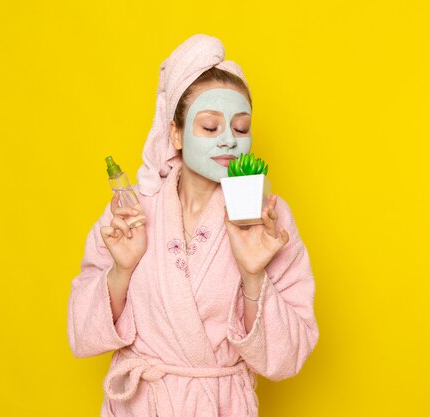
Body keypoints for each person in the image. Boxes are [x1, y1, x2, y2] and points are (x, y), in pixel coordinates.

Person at [67, 34, 319, 417]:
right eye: (210, 127)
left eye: (241, 127)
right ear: (175, 135)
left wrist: (254, 277)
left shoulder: (268, 215)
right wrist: (122, 269)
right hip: (142, 404)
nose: (230, 141)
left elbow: (290, 354)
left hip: (220, 405)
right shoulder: (132, 208)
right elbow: (81, 331)